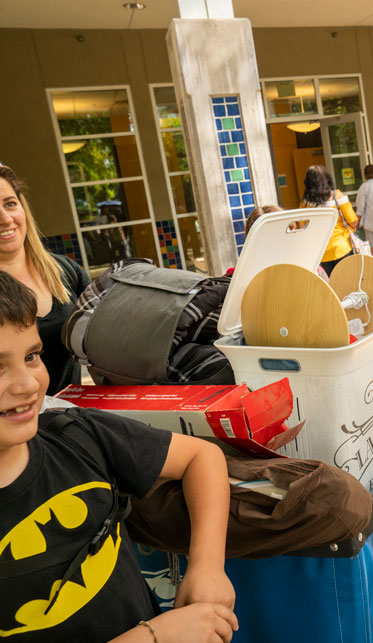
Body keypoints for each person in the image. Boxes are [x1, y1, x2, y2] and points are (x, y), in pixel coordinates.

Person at [0, 272, 238, 642]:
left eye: (32, 356)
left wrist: (207, 566)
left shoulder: (75, 433)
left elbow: (201, 457)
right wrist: (155, 637)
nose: (28, 383)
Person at [0, 165, 90, 395]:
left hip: (74, 416)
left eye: (9, 203)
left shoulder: (64, 270)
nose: (5, 218)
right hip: (16, 423)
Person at [302, 165, 358, 275]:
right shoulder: (337, 195)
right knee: (346, 282)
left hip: (320, 251)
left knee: (329, 285)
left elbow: (302, 229)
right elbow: (353, 221)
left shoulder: (305, 203)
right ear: (327, 179)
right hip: (342, 247)